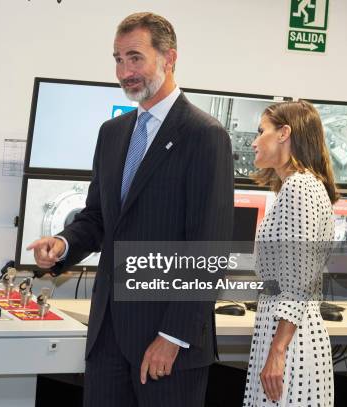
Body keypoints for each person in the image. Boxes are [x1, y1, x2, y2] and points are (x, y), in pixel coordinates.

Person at [27, 12, 234, 407]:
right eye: (118, 59)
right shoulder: (113, 133)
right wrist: (63, 244)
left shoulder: (204, 136)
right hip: (108, 337)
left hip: (166, 341)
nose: (124, 71)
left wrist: (172, 337)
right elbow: (99, 217)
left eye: (135, 58)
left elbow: (208, 249)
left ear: (169, 58)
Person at [243, 100, 338, 406]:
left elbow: (298, 282)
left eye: (261, 131)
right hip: (285, 337)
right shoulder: (296, 187)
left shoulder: (300, 187)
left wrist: (277, 352)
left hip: (292, 345)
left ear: (284, 133)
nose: (255, 141)